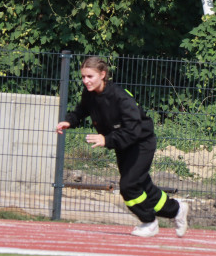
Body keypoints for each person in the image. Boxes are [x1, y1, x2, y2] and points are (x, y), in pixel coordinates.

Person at [56, 56, 189, 238]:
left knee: (128, 186)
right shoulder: (90, 94)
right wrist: (68, 122)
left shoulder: (120, 97)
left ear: (102, 74)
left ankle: (149, 222)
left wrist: (107, 140)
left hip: (141, 142)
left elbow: (133, 129)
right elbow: (81, 110)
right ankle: (177, 210)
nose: (86, 81)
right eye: (83, 77)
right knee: (143, 185)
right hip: (123, 143)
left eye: (90, 76)